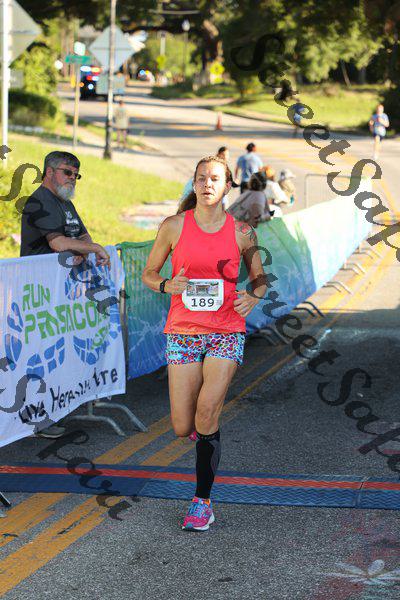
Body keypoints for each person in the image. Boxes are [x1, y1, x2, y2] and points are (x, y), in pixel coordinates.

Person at [142, 155, 266, 531]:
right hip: (183, 330)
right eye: (201, 178)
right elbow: (149, 273)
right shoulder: (173, 226)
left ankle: (202, 502)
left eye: (214, 179)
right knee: (183, 426)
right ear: (194, 184)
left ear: (228, 186)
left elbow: (260, 278)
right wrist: (167, 285)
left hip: (226, 330)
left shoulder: (242, 232)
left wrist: (253, 296)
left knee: (208, 411)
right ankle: (201, 429)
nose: (207, 184)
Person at [20, 151, 110, 438]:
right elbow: (58, 243)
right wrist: (92, 249)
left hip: (62, 292)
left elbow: (81, 235)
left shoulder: (65, 202)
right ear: (49, 172)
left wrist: (86, 247)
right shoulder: (39, 201)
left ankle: (57, 406)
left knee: (61, 352)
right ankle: (37, 419)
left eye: (76, 174)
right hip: (38, 292)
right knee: (41, 355)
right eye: (67, 172)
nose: (73, 178)